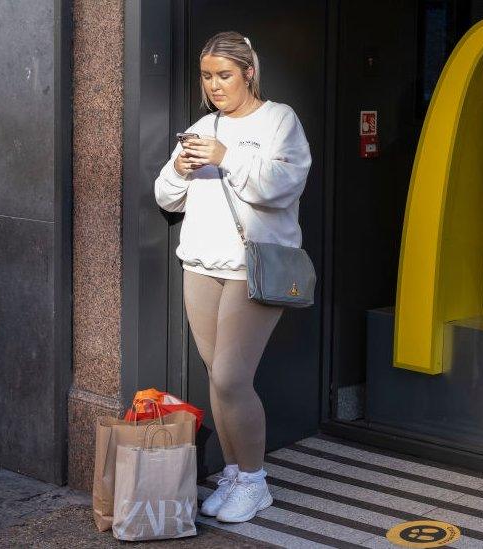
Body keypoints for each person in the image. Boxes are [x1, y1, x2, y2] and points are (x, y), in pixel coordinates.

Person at [153, 31, 311, 523]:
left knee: (230, 377)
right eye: (207, 76)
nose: (215, 85)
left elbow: (282, 186)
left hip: (253, 267)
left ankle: (256, 480)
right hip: (200, 263)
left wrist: (225, 156)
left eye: (224, 75)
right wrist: (180, 168)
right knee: (218, 382)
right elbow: (165, 197)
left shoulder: (279, 119)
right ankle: (237, 475)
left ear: (248, 72)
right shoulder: (202, 124)